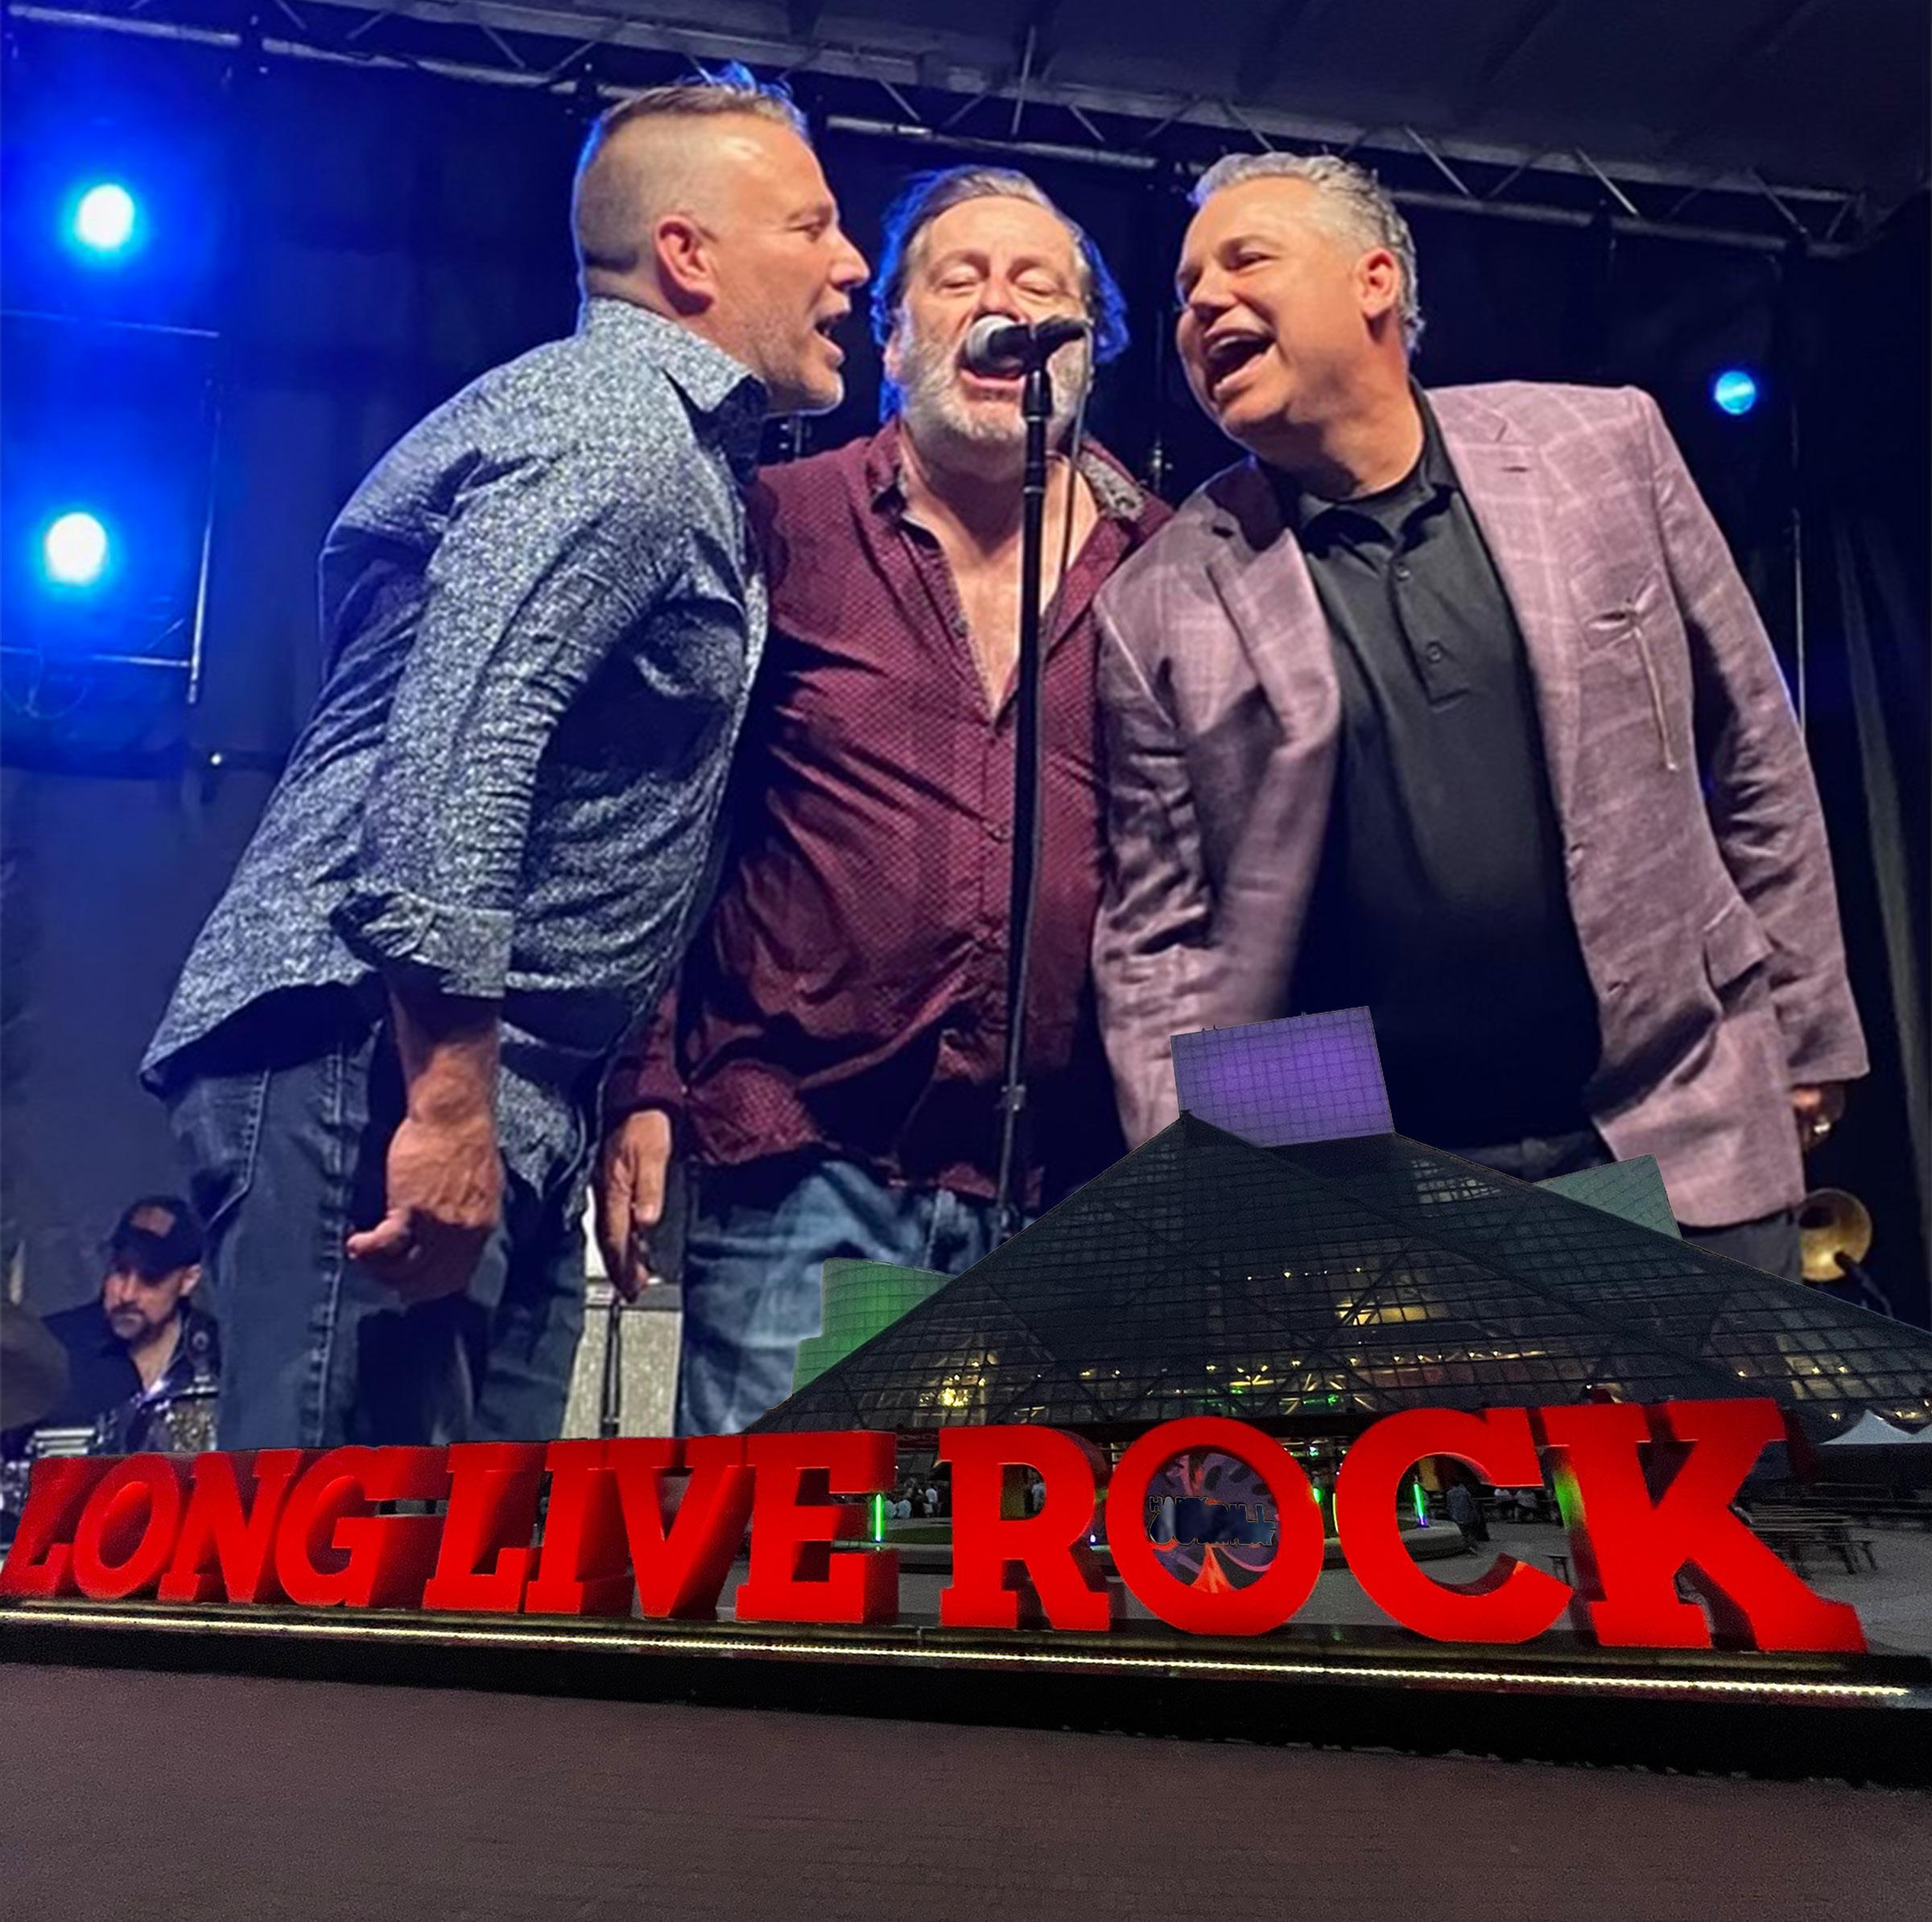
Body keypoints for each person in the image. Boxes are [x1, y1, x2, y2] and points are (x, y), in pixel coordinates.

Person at [140, 75, 868, 1450]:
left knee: (463, 1556)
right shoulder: (616, 429)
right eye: (812, 227)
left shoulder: (677, 456)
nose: (851, 266)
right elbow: (462, 746)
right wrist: (448, 1093)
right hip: (377, 1055)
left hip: (481, 1075)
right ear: (688, 255)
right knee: (342, 1552)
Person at [1093, 153, 1865, 1277]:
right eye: (1184, 289)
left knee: (1702, 1406)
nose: (1203, 301)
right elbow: (1159, 937)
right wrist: (1198, 1170)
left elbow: (1752, 739)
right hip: (1366, 1173)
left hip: (1662, 1112)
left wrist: (1805, 1021)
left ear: (1373, 282)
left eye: (1244, 260)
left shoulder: (1602, 447)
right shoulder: (1158, 597)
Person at [597, 167, 1170, 1435]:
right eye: (959, 279)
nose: (1000, 304)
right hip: (809, 1154)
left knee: (1011, 1555)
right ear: (895, 339)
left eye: (1038, 285)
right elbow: (670, 810)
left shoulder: (1167, 563)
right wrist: (642, 1078)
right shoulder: (784, 524)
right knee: (787, 1546)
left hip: (1067, 1179)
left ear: (1089, 345)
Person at [0, 1198, 219, 1458]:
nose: (127, 1294)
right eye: (120, 1271)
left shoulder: (222, 1359)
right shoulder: (46, 1346)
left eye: (150, 1278)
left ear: (188, 1280)